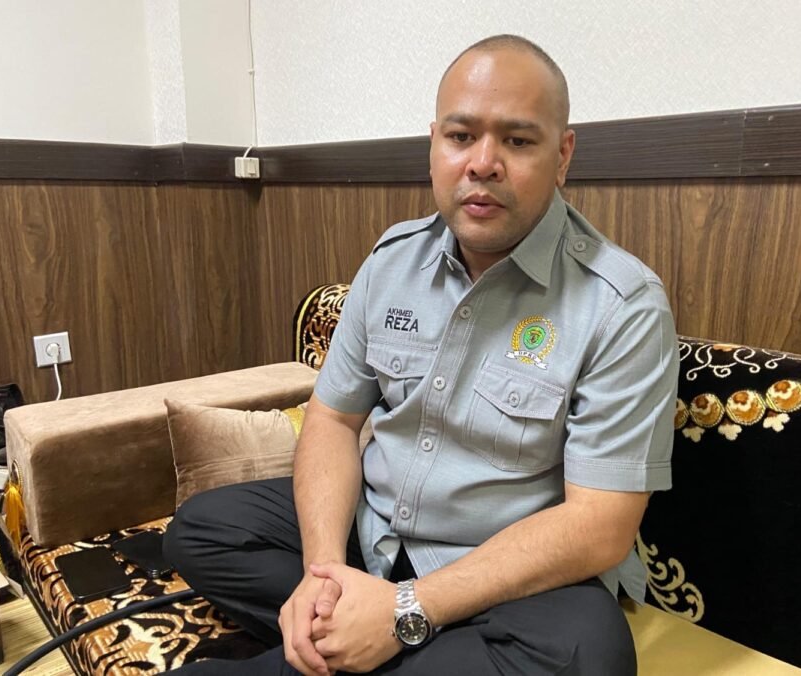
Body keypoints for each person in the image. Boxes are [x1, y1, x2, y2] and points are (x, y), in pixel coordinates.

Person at [165, 34, 678, 675]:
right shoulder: (392, 262)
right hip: (376, 529)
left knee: (589, 652)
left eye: (518, 141)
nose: (483, 163)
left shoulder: (622, 304)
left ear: (562, 155)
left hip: (502, 575)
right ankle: (362, 633)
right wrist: (323, 574)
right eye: (461, 136)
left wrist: (407, 610)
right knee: (204, 528)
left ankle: (341, 646)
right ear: (434, 144)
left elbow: (600, 526)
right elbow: (333, 419)